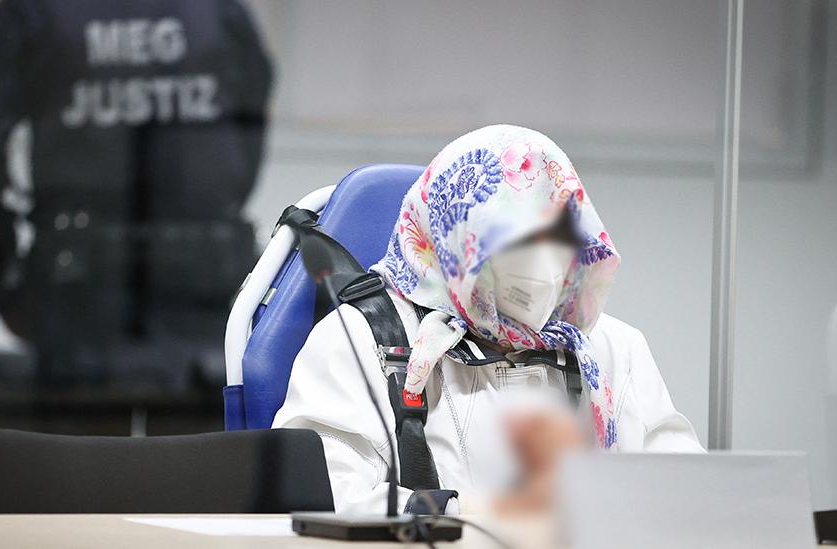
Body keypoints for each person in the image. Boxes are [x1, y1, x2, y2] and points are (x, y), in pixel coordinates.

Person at [272, 125, 703, 514]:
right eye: (518, 245)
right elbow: (322, 495)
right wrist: (474, 514)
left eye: (558, 241)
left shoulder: (613, 348)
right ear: (458, 244)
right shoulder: (363, 340)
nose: (544, 269)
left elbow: (691, 494)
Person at [0, 0, 272, 385]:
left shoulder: (33, 12)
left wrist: (4, 283)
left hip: (76, 295)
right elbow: (248, 134)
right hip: (202, 293)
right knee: (197, 443)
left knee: (78, 441)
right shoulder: (219, 12)